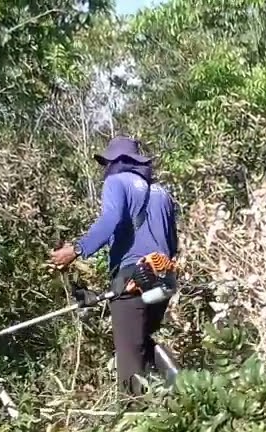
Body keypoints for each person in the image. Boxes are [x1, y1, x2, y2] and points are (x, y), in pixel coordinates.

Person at [50, 136, 179, 396]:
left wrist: (76, 250)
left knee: (129, 359)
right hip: (163, 278)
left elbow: (111, 219)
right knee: (141, 341)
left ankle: (132, 417)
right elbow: (173, 242)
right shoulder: (162, 193)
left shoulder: (116, 182)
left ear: (116, 162)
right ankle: (181, 387)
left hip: (134, 276)